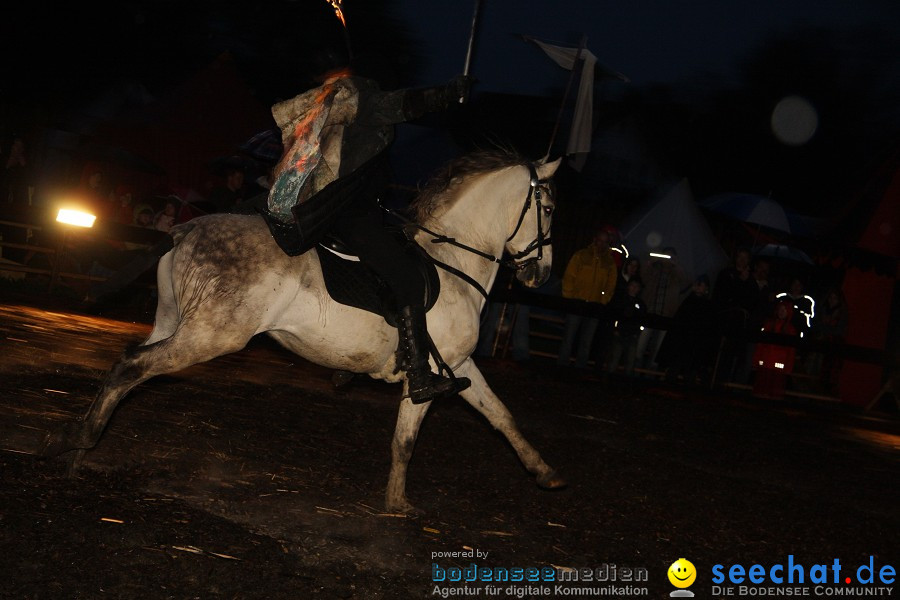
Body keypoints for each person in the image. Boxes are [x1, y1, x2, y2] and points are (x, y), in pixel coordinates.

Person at [258, 27, 473, 404]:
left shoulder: (316, 101)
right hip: (347, 210)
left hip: (317, 206)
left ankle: (353, 356)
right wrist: (447, 93)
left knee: (386, 256)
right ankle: (420, 373)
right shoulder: (359, 98)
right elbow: (403, 105)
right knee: (407, 278)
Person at [556, 229, 617, 370]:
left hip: (595, 306)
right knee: (569, 337)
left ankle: (580, 368)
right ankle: (561, 366)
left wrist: (603, 301)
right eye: (599, 240)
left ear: (608, 243)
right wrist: (569, 299)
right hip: (577, 303)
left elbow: (611, 285)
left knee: (586, 340)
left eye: (605, 242)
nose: (601, 244)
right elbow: (569, 277)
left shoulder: (609, 262)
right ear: (595, 239)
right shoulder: (581, 255)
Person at [656, 274, 719, 387]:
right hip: (682, 342)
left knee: (690, 373)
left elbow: (708, 326)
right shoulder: (688, 301)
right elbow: (679, 321)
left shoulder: (707, 306)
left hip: (695, 344)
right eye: (698, 285)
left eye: (702, 285)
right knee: (675, 369)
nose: (699, 287)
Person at [636, 247, 688, 373]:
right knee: (640, 347)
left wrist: (676, 266)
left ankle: (650, 375)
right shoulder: (654, 271)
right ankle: (635, 371)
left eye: (670, 257)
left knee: (658, 350)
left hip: (666, 317)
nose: (667, 260)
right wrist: (651, 262)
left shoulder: (676, 276)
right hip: (649, 313)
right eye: (665, 256)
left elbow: (686, 282)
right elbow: (642, 276)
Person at [751, 298, 799, 400]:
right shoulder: (768, 324)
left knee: (775, 393)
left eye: (784, 310)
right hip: (765, 363)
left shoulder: (790, 330)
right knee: (761, 391)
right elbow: (760, 344)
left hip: (778, 368)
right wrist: (756, 361)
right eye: (780, 309)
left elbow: (791, 351)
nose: (782, 312)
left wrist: (788, 368)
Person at [805, 287, 849, 394]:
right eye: (830, 297)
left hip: (831, 347)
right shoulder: (822, 310)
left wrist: (825, 329)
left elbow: (838, 330)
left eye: (835, 298)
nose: (832, 300)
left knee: (824, 371)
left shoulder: (841, 314)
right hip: (817, 342)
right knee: (810, 366)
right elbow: (815, 325)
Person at [605, 277, 647, 384]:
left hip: (632, 335)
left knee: (630, 361)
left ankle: (627, 383)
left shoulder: (641, 304)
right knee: (614, 358)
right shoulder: (620, 300)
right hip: (619, 333)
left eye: (637, 287)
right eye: (632, 285)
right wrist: (615, 329)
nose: (634, 288)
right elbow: (615, 316)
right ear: (628, 286)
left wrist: (637, 332)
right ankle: (609, 381)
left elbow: (641, 320)